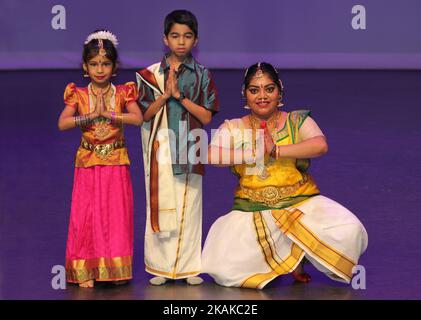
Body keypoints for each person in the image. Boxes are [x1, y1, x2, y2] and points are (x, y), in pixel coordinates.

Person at [202, 62, 368, 289]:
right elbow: (210, 155)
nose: (262, 96)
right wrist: (253, 152)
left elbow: (320, 145)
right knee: (223, 269)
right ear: (245, 94)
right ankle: (289, 259)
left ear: (280, 91)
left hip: (300, 204)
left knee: (350, 230)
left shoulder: (297, 120)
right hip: (252, 210)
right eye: (254, 90)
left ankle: (299, 254)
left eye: (269, 89)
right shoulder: (233, 127)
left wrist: (276, 151)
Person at [136, 10, 219, 286]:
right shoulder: (149, 75)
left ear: (196, 40)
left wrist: (180, 96)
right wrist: (164, 96)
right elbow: (144, 115)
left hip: (189, 144)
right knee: (161, 203)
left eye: (187, 36)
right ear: (165, 39)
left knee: (190, 204)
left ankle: (189, 267)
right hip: (160, 147)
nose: (181, 42)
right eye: (175, 36)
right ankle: (160, 266)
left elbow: (206, 116)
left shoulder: (202, 75)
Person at [58, 30, 143, 288]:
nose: (100, 69)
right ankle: (86, 270)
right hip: (88, 163)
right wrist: (90, 116)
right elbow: (62, 123)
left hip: (116, 161)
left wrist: (109, 114)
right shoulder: (79, 94)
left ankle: (114, 269)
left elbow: (137, 118)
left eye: (105, 64)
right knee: (87, 214)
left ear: (115, 66)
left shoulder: (123, 93)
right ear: (85, 66)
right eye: (94, 64)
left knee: (116, 214)